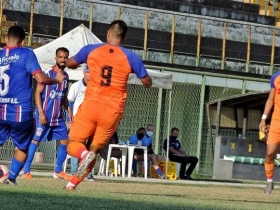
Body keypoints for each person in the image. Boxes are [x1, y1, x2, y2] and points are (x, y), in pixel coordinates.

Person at [64, 20, 152, 190]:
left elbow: (70, 64)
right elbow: (147, 82)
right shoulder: (131, 57)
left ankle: (83, 155)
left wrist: (85, 64)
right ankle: (71, 184)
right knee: (94, 149)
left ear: (108, 33)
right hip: (112, 112)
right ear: (124, 39)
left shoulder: (92, 49)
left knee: (73, 144)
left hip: (91, 105)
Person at [0, 26, 64, 185]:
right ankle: (12, 178)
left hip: (0, 110)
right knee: (23, 146)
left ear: (6, 39)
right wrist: (56, 80)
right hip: (21, 112)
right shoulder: (26, 53)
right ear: (23, 41)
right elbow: (41, 79)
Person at [22, 47, 73, 181]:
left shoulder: (66, 76)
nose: (63, 60)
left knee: (65, 140)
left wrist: (69, 110)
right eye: (60, 57)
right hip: (44, 115)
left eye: (65, 57)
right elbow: (37, 93)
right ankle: (26, 171)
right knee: (35, 141)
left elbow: (63, 96)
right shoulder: (47, 74)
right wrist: (40, 112)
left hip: (58, 117)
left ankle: (58, 171)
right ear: (56, 58)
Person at [67, 65, 95, 181]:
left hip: (92, 121)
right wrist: (70, 120)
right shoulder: (76, 86)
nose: (89, 74)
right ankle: (74, 172)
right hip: (79, 121)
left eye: (92, 72)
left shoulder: (95, 87)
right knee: (77, 145)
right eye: (88, 72)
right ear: (84, 72)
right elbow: (69, 103)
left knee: (91, 148)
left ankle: (87, 174)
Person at [259, 72, 280, 194]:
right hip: (276, 122)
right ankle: (269, 181)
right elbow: (271, 99)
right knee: (270, 153)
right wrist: (263, 118)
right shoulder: (275, 77)